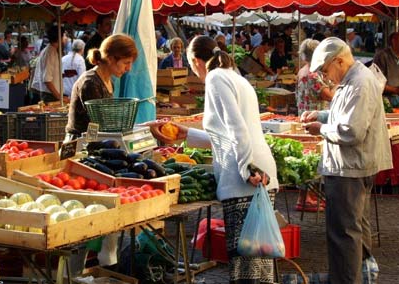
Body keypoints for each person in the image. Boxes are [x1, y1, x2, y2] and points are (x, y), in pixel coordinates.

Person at [149, 35, 279, 284]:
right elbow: (223, 134)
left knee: (247, 263)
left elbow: (236, 128)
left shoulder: (216, 78)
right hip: (256, 173)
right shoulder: (234, 77)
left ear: (195, 61)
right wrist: (183, 133)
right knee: (258, 260)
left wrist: (246, 168)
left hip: (246, 179)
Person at [302, 37, 392, 283]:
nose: (324, 77)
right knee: (354, 229)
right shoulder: (354, 79)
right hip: (351, 166)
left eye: (324, 70)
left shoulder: (359, 82)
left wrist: (320, 128)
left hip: (350, 168)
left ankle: (346, 280)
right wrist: (321, 114)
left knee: (344, 234)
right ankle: (360, 276)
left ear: (339, 61)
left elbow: (351, 131)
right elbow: (345, 114)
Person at [65, 34, 138, 141]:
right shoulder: (90, 82)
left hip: (96, 141)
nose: (128, 68)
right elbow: (100, 124)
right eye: (126, 63)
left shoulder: (108, 81)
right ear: (110, 59)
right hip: (78, 144)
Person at [295, 38, 334, 212]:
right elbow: (328, 95)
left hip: (304, 116)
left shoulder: (302, 71)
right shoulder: (312, 74)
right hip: (315, 119)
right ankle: (306, 198)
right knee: (314, 159)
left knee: (307, 157)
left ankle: (306, 197)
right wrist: (337, 86)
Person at [31, 25, 65, 103]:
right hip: (50, 95)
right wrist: (59, 97)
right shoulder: (50, 52)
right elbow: (47, 79)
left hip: (52, 94)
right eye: (63, 36)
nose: (64, 38)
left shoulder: (52, 50)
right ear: (59, 37)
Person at [373, 32, 399, 101]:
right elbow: (375, 81)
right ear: (394, 41)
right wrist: (395, 90)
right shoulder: (382, 56)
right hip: (386, 99)